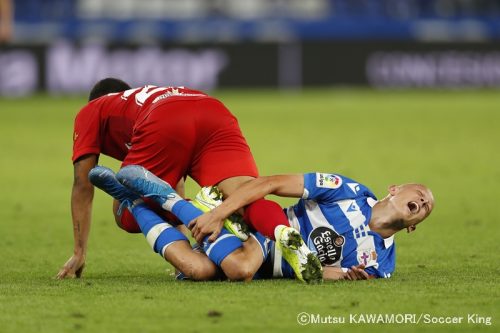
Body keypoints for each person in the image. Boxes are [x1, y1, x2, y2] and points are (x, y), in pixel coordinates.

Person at [56, 78, 313, 280]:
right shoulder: (142, 98)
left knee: (125, 214)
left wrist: (79, 252)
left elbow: (83, 183)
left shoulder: (92, 109)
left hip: (163, 119)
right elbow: (172, 180)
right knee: (246, 195)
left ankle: (190, 210)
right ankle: (285, 234)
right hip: (212, 109)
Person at [93, 164, 433, 281]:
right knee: (240, 269)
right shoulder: (348, 191)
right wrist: (220, 213)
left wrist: (344, 278)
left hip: (277, 268)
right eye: (419, 192)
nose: (423, 201)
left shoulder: (383, 264)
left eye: (427, 207)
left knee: (198, 270)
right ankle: (180, 202)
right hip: (266, 233)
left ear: (415, 225)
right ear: (395, 189)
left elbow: (326, 274)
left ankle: (135, 200)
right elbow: (270, 183)